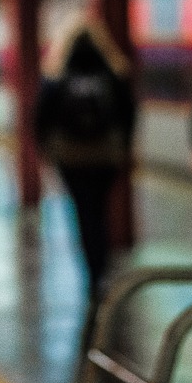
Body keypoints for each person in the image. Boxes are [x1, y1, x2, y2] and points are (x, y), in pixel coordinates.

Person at [36, 19, 136, 298]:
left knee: (83, 212)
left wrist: (48, 153)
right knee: (101, 211)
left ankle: (91, 271)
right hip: (105, 156)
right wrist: (124, 149)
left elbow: (41, 118)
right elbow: (128, 114)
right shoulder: (114, 72)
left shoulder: (56, 75)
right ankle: (101, 270)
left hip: (71, 158)